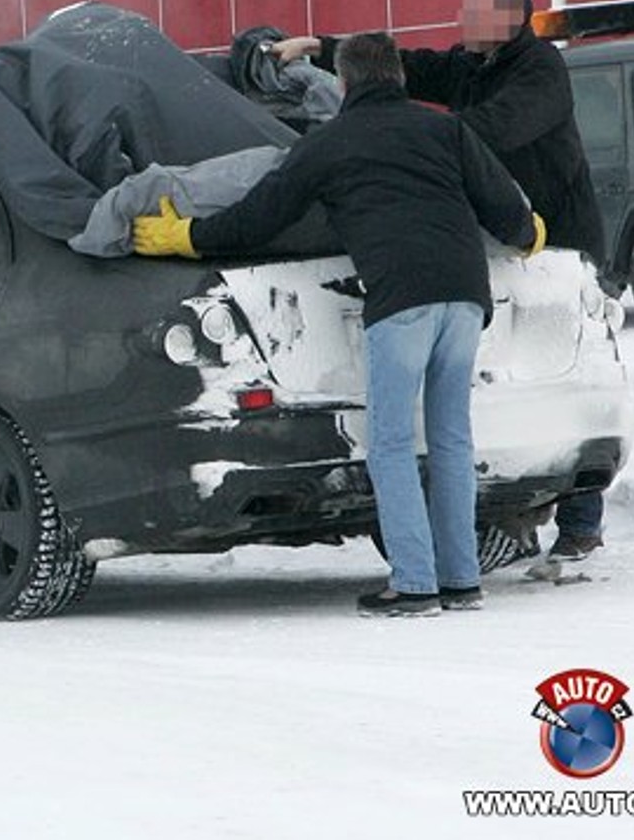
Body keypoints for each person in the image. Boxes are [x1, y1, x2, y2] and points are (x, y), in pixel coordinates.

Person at [133, 32, 544, 616]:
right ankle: (460, 580)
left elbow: (259, 216)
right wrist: (531, 236)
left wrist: (186, 236)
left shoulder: (331, 144)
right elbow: (507, 210)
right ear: (399, 76)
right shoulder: (445, 129)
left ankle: (415, 585)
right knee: (452, 441)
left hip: (402, 301)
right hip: (465, 299)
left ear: (344, 83)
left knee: (393, 445)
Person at [269, 0, 609, 562]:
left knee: (565, 371)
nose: (459, 19)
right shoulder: (471, 65)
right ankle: (509, 514)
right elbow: (408, 68)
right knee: (482, 397)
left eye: (471, 12)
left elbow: (497, 129)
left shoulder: (539, 72)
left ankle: (579, 515)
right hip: (497, 237)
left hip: (558, 242)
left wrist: (411, 140)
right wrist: (321, 48)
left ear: (506, 20)